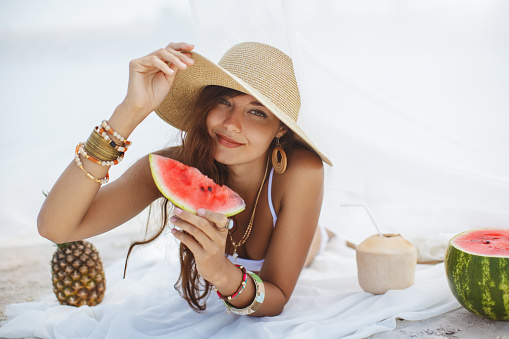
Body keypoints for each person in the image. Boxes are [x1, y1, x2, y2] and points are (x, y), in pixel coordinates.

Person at [37, 41, 332, 317]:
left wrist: (219, 272)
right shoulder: (173, 165)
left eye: (257, 112)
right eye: (225, 102)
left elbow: (277, 296)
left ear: (280, 129)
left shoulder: (301, 170)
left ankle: (329, 235)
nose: (231, 125)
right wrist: (130, 110)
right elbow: (56, 228)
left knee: (321, 238)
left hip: (310, 242)